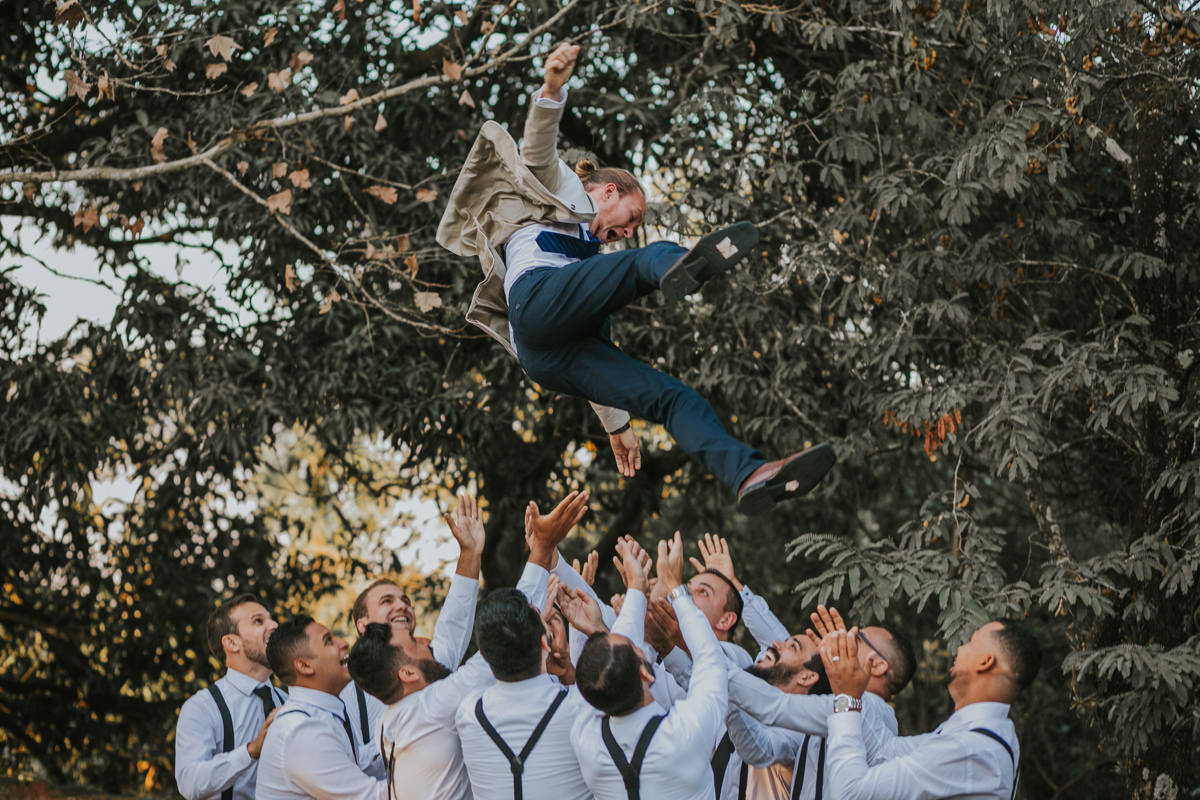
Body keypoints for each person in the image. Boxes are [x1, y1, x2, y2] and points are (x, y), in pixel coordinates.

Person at [437, 42, 836, 515]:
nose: (626, 231)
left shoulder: (588, 270)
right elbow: (536, 146)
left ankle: (747, 473)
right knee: (642, 261)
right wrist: (552, 88)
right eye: (631, 216)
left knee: (670, 397)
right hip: (534, 302)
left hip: (547, 358)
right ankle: (681, 260)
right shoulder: (556, 191)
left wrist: (616, 425)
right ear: (608, 191)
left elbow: (594, 351)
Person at [345, 491, 586, 800]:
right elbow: (504, 636)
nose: (428, 641)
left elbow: (450, 633)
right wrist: (541, 549)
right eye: (418, 643)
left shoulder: (395, 708)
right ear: (406, 673)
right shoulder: (430, 707)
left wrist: (470, 555)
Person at [455, 539, 650, 800]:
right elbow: (621, 665)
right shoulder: (580, 710)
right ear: (545, 643)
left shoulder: (467, 714)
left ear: (486, 656)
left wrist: (540, 632)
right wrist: (635, 589)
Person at [340, 492, 503, 770]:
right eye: (387, 602)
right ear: (363, 625)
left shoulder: (429, 659)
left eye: (405, 601)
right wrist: (399, 737)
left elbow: (455, 619)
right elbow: (348, 766)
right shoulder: (346, 695)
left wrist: (470, 554)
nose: (402, 606)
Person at [570, 532, 727, 800]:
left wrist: (636, 589)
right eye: (638, 647)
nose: (637, 641)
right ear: (645, 672)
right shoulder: (687, 731)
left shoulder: (584, 737)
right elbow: (710, 657)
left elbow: (610, 654)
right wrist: (675, 587)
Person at [818, 619, 1042, 800]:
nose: (959, 648)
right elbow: (884, 751)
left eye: (971, 642)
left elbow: (850, 794)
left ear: (985, 662)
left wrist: (846, 698)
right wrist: (845, 667)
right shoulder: (982, 736)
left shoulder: (968, 749)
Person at [723, 606, 916, 800]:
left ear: (876, 665)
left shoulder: (875, 713)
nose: (843, 639)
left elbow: (778, 705)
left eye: (857, 639)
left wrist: (711, 660)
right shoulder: (838, 706)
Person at [255, 615, 386, 800]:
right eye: (328, 641)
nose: (343, 643)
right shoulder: (301, 729)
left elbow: (350, 764)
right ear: (305, 665)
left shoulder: (319, 716)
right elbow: (370, 797)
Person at [176, 595, 288, 800]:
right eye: (258, 621)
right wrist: (251, 751)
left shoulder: (289, 702)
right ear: (231, 643)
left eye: (270, 619)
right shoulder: (202, 707)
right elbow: (189, 782)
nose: (274, 625)